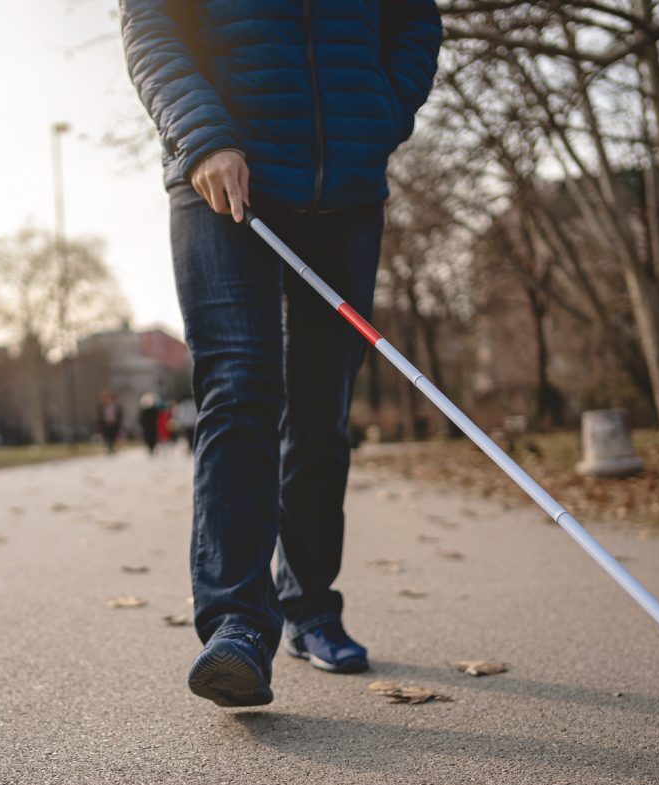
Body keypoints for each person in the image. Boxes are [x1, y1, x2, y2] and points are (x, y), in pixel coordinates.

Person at [120, 1, 441, 707]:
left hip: (346, 190)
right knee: (239, 386)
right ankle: (237, 624)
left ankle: (313, 608)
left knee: (321, 409)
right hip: (222, 180)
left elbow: (415, 20)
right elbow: (152, 26)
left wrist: (380, 115)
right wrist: (201, 136)